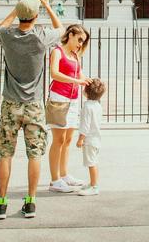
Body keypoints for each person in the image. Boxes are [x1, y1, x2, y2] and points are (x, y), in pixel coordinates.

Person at [0, 0, 64, 220]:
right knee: (35, 154)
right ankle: (30, 201)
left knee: (6, 153)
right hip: (33, 105)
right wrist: (46, 4)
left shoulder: (8, 36)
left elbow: (1, 26)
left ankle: (2, 203)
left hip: (10, 104)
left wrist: (17, 8)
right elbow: (61, 28)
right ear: (35, 15)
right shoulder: (41, 37)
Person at [48, 24, 91, 193]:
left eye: (83, 41)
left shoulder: (75, 55)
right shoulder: (57, 51)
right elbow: (54, 73)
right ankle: (54, 180)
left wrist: (86, 80)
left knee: (67, 140)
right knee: (58, 140)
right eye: (79, 39)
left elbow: (79, 74)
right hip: (59, 98)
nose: (80, 44)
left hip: (73, 100)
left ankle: (64, 175)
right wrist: (76, 81)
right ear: (70, 35)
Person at [76, 78, 106, 196]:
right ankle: (93, 183)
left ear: (87, 92)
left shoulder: (87, 106)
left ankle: (94, 186)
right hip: (96, 138)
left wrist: (80, 139)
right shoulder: (97, 105)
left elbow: (85, 125)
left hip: (89, 140)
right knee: (94, 162)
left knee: (91, 163)